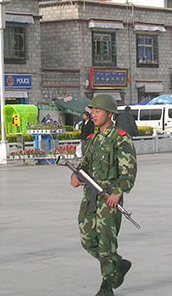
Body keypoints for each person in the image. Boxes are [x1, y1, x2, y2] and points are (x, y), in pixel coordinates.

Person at [69, 94, 137, 296]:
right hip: (90, 197)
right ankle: (117, 265)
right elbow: (84, 166)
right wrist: (76, 175)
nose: (94, 114)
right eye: (93, 111)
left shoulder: (120, 138)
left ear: (109, 113)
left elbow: (129, 171)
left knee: (106, 244)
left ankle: (107, 286)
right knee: (87, 240)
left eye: (98, 111)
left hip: (109, 199)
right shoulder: (92, 139)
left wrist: (118, 192)